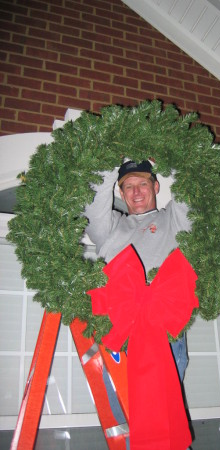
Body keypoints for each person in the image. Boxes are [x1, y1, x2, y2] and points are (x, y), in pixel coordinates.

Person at [84, 159, 192, 381]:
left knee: (161, 412)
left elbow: (189, 189)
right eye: (128, 187)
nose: (136, 192)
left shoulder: (172, 220)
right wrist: (113, 160)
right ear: (122, 194)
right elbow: (93, 208)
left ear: (156, 187)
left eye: (143, 183)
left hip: (162, 331)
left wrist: (164, 155)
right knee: (119, 412)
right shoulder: (111, 227)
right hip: (116, 333)